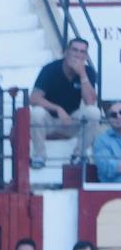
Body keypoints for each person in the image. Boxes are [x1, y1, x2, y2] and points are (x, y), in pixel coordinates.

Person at [29, 37, 102, 169]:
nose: (78, 55)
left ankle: (78, 155)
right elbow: (34, 98)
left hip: (71, 121)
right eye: (74, 50)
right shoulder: (50, 69)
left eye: (82, 52)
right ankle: (39, 155)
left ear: (86, 56)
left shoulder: (88, 72)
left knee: (94, 112)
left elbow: (90, 102)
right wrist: (58, 109)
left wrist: (82, 75)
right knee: (36, 112)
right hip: (49, 121)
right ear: (66, 52)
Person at [93, 100, 121, 182]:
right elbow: (107, 167)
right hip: (113, 187)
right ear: (108, 120)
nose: (118, 116)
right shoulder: (101, 141)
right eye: (113, 115)